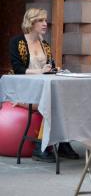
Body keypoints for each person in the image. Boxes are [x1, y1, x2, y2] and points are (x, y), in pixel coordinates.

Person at [9, 8, 79, 162]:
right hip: (24, 92)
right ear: (31, 22)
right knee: (53, 103)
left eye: (45, 20)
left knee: (66, 101)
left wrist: (53, 70)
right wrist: (40, 71)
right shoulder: (17, 42)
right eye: (40, 20)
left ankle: (63, 144)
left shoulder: (45, 44)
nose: (45, 24)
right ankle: (40, 147)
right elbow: (18, 69)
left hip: (42, 90)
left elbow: (48, 68)